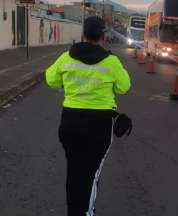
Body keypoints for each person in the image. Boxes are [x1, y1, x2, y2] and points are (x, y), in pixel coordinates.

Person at [45, 16, 131, 216]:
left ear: (83, 34)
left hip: (70, 123)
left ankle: (73, 211)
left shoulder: (66, 57)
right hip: (98, 126)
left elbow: (51, 80)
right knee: (91, 173)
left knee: (74, 170)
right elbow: (124, 87)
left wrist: (68, 84)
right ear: (103, 36)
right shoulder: (111, 61)